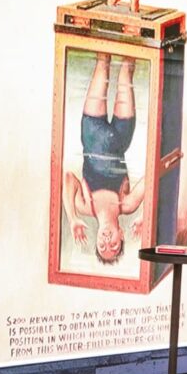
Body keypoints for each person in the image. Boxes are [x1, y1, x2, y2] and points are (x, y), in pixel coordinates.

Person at [63, 53, 145, 264]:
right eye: (114, 245)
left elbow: (69, 179)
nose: (107, 241)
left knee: (103, 61)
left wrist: (72, 219)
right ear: (122, 235)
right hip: (122, 134)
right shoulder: (127, 205)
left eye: (102, 246)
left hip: (92, 130)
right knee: (127, 67)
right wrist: (148, 216)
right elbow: (152, 180)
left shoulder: (84, 207)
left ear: (97, 240)